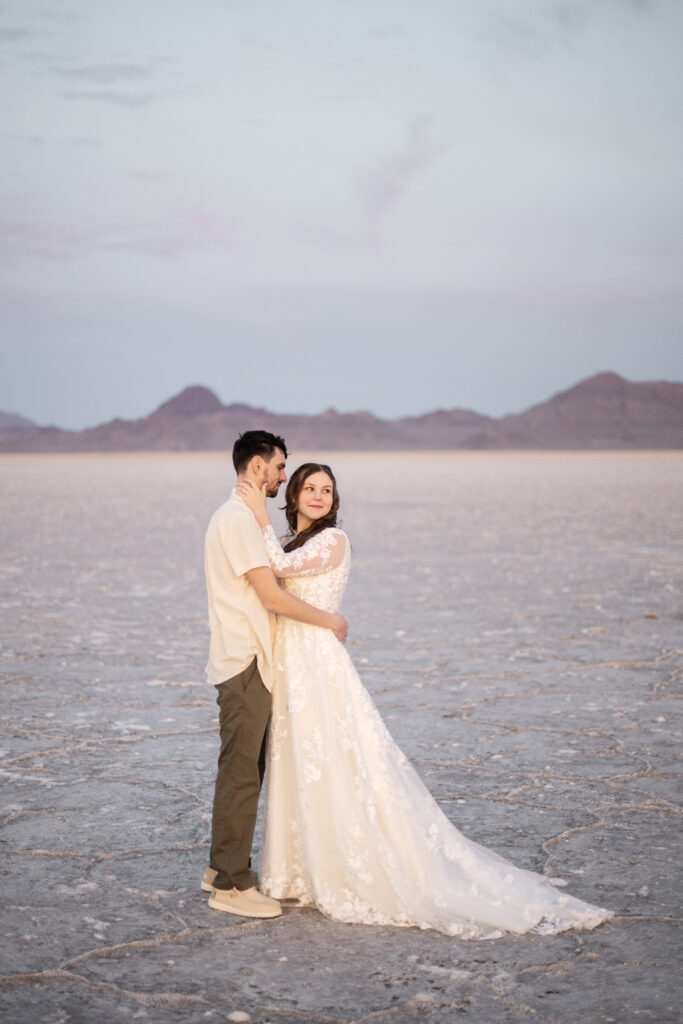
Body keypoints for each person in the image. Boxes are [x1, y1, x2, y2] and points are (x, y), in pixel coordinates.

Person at [235, 462, 614, 938]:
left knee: (331, 756)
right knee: (299, 760)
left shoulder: (334, 541)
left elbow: (279, 570)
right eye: (309, 488)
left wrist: (258, 515)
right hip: (293, 661)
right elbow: (278, 566)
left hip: (317, 664)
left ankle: (344, 866)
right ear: (292, 495)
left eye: (326, 490)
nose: (318, 496)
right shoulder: (295, 540)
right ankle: (296, 869)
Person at [203, 434, 348, 920]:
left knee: (248, 768)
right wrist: (331, 620)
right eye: (282, 469)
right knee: (243, 772)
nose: (284, 477)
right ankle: (230, 884)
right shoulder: (240, 520)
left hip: (257, 659)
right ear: (259, 465)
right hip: (246, 658)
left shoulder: (243, 518)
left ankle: (221, 867)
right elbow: (272, 595)